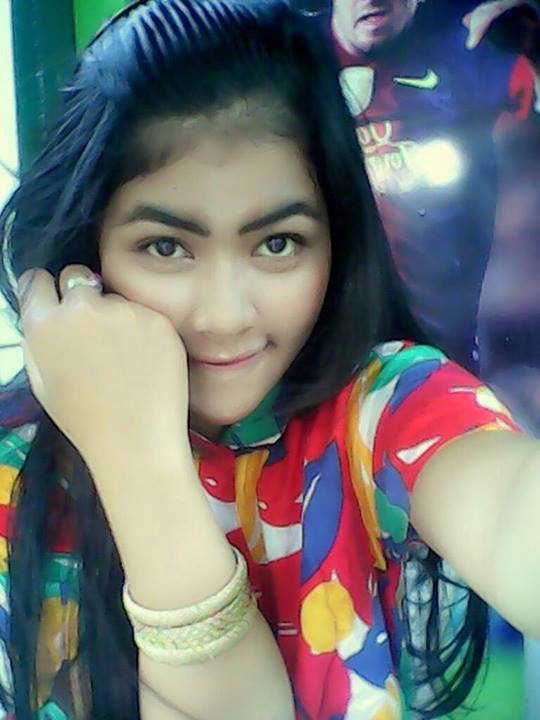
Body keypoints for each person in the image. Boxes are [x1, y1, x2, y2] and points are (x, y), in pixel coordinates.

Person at [0, 0, 539, 718]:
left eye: (277, 243)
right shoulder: (13, 464)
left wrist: (136, 462)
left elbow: (510, 510)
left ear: (335, 243)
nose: (226, 316)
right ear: (85, 249)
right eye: (166, 246)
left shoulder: (384, 410)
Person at [330, 0, 540, 374]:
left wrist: (536, 49)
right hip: (329, 347)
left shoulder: (471, 49)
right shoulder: (287, 56)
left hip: (442, 348)